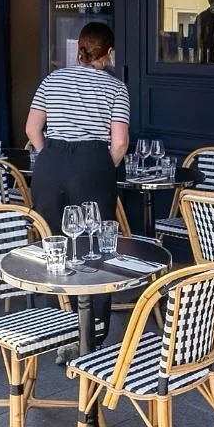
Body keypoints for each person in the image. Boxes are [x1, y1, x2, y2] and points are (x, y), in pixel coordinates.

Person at [26, 21, 130, 337]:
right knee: (95, 245)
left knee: (52, 242)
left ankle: (53, 320)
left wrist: (51, 156)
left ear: (79, 49)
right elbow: (121, 142)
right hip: (92, 163)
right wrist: (100, 165)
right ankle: (92, 327)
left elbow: (32, 129)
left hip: (51, 162)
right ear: (109, 52)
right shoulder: (116, 87)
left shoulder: (52, 80)